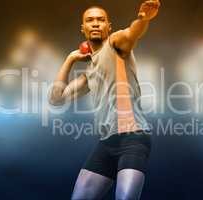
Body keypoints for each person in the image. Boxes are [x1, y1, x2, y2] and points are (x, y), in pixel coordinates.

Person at [49, 0, 160, 199]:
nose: (95, 23)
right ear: (83, 28)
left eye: (101, 20)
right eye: (90, 20)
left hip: (133, 138)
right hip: (106, 143)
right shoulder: (89, 73)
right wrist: (70, 59)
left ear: (108, 27)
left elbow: (131, 33)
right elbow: (56, 99)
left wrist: (143, 19)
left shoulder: (115, 44)